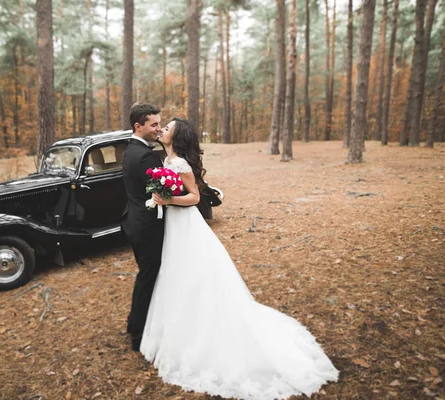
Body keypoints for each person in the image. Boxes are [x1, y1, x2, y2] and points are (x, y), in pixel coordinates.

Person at [141, 118, 339, 400]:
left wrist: (168, 199)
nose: (162, 129)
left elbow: (195, 197)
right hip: (174, 227)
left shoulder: (181, 163)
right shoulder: (167, 157)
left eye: (168, 127)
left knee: (194, 275)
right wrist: (160, 194)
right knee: (176, 275)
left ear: (177, 136)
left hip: (186, 226)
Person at [121, 102, 164, 352]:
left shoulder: (130, 150)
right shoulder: (146, 155)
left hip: (135, 220)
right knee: (147, 277)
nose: (158, 128)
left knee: (146, 275)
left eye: (160, 123)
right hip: (147, 226)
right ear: (138, 126)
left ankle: (135, 324)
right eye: (154, 124)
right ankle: (138, 334)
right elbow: (164, 190)